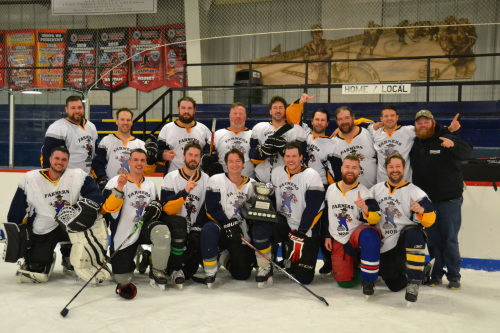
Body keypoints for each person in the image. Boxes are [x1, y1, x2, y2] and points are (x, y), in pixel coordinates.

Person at [6, 147, 110, 285]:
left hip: (70, 225)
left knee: (91, 226)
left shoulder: (77, 176)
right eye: (57, 158)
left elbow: (95, 196)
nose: (60, 162)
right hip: (44, 227)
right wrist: (20, 233)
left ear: (67, 162)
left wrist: (82, 211)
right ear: (50, 159)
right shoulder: (31, 179)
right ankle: (44, 259)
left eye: (64, 159)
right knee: (37, 264)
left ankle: (69, 256)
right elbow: (18, 208)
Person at [409, 109, 472, 290]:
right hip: (426, 203)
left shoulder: (446, 137)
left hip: (449, 201)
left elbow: (467, 152)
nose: (422, 125)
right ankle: (436, 274)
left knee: (450, 239)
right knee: (433, 241)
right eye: (419, 123)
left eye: (426, 122)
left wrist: (454, 144)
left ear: (433, 123)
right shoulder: (414, 143)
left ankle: (454, 276)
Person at [101, 148, 168, 297]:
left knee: (162, 231)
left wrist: (156, 208)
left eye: (142, 160)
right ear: (129, 162)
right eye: (136, 160)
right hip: (123, 234)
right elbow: (106, 209)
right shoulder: (115, 181)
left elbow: (156, 209)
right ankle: (144, 257)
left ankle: (157, 269)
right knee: (122, 278)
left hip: (143, 228)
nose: (139, 163)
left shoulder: (150, 185)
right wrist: (119, 188)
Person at [371, 154, 436, 302]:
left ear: (404, 168)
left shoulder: (415, 191)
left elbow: (431, 219)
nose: (395, 170)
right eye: (391, 167)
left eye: (398, 166)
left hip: (404, 240)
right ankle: (422, 269)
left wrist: (422, 211)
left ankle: (414, 282)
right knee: (394, 284)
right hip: (386, 244)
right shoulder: (376, 190)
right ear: (386, 169)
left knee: (414, 232)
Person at [201, 148, 264, 288]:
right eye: (231, 161)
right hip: (222, 227)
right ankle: (210, 271)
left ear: (243, 164)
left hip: (240, 232)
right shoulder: (216, 180)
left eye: (238, 161)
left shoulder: (252, 184)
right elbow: (211, 208)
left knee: (242, 274)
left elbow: (255, 211)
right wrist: (228, 223)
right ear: (226, 164)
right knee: (208, 229)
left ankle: (223, 257)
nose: (234, 164)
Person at [323, 155, 382, 297]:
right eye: (347, 167)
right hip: (338, 237)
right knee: (344, 283)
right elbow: (325, 214)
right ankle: (356, 267)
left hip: (356, 235)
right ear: (341, 168)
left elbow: (376, 217)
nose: (350, 170)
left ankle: (368, 280)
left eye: (354, 168)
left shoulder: (364, 192)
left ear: (359, 171)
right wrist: (326, 236)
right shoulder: (331, 189)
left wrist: (366, 209)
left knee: (371, 235)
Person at [269, 141, 325, 285]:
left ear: (301, 157)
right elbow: (273, 200)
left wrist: (301, 232)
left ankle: (290, 258)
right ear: (283, 157)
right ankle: (269, 260)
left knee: (304, 278)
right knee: (263, 228)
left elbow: (314, 208)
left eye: (294, 156)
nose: (291, 159)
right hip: (283, 223)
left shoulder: (311, 175)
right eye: (287, 156)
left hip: (304, 230)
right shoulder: (276, 172)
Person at [160, 141, 210, 288]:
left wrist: (197, 227)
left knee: (188, 272)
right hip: (175, 227)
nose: (193, 158)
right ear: (183, 157)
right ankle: (170, 266)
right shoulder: (171, 177)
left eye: (196, 156)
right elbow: (167, 208)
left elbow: (207, 207)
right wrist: (184, 192)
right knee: (178, 225)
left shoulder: (207, 179)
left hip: (193, 227)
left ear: (200, 158)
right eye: (190, 155)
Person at [368, 105, 461, 183]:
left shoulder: (408, 131)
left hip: (404, 182)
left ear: (397, 117)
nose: (389, 118)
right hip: (382, 182)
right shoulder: (374, 132)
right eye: (386, 116)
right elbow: (361, 126)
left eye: (392, 115)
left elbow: (428, 129)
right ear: (381, 118)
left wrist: (449, 129)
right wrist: (373, 126)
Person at [92, 108, 157, 190]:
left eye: (128, 120)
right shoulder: (106, 140)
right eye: (122, 119)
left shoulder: (141, 145)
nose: (125, 123)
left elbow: (147, 172)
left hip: (133, 189)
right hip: (111, 186)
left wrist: (152, 161)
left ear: (131, 122)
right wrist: (101, 178)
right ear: (117, 121)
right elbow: (98, 163)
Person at [250, 95, 307, 183]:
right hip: (262, 180)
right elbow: (252, 155)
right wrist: (262, 151)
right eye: (275, 108)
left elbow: (301, 155)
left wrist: (284, 149)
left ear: (285, 110)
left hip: (287, 180)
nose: (278, 111)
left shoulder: (297, 130)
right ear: (270, 111)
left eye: (281, 108)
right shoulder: (259, 128)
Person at [41, 95, 98, 175]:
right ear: (66, 109)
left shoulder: (91, 127)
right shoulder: (57, 128)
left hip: (86, 178)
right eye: (73, 108)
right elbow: (48, 157)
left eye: (79, 107)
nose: (77, 111)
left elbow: (94, 154)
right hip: (65, 178)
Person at [157, 96, 211, 175]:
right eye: (183, 108)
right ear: (178, 109)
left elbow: (209, 152)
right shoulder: (167, 128)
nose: (186, 111)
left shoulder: (203, 129)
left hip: (198, 178)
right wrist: (163, 155)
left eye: (189, 108)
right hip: (173, 177)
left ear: (194, 110)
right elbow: (158, 151)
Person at [331, 106, 377, 188]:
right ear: (336, 122)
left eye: (347, 118)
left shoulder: (367, 131)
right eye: (340, 119)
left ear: (353, 118)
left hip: (374, 190)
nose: (344, 122)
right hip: (350, 193)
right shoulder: (333, 142)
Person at [211, 102, 254, 178]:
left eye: (241, 114)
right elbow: (210, 156)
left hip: (247, 182)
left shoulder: (253, 135)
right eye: (235, 113)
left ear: (245, 116)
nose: (238, 116)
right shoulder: (218, 134)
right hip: (223, 182)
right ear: (230, 116)